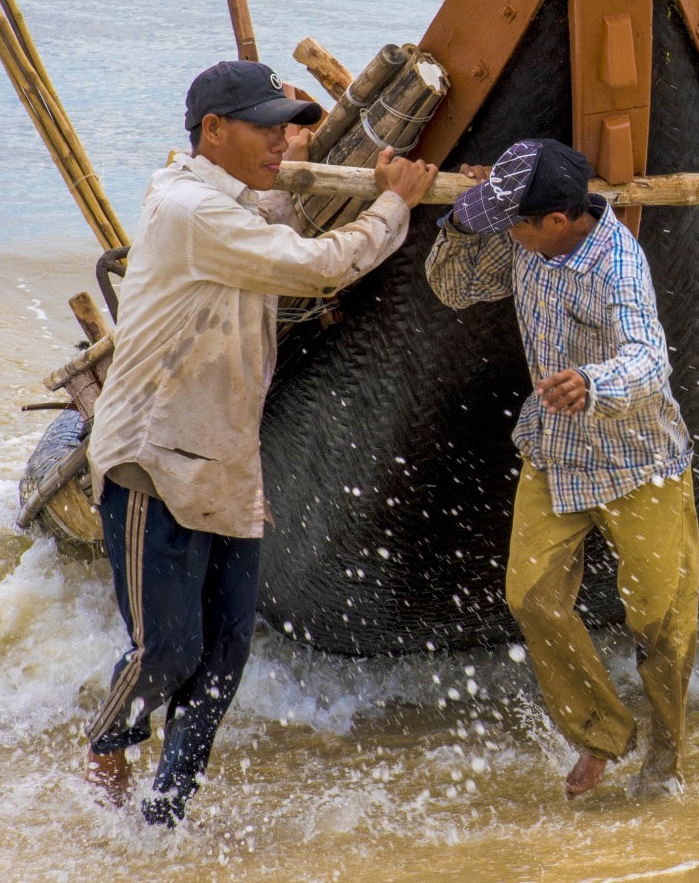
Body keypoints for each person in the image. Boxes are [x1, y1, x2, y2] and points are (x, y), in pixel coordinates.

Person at [84, 60, 436, 826]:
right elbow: (317, 265)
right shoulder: (189, 210)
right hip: (158, 459)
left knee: (220, 666)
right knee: (168, 653)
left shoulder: (232, 200)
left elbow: (277, 205)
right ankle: (109, 740)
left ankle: (164, 819)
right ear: (213, 131)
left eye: (289, 126)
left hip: (228, 461)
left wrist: (355, 181)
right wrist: (392, 203)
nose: (283, 140)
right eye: (265, 127)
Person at [424, 138, 698, 799]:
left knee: (662, 620)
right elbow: (454, 286)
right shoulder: (526, 238)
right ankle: (602, 731)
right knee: (532, 596)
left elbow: (650, 356)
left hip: (638, 457)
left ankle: (663, 765)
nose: (507, 235)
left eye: (510, 223)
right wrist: (466, 219)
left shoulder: (619, 266)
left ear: (556, 221)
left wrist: (595, 384)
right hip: (554, 449)